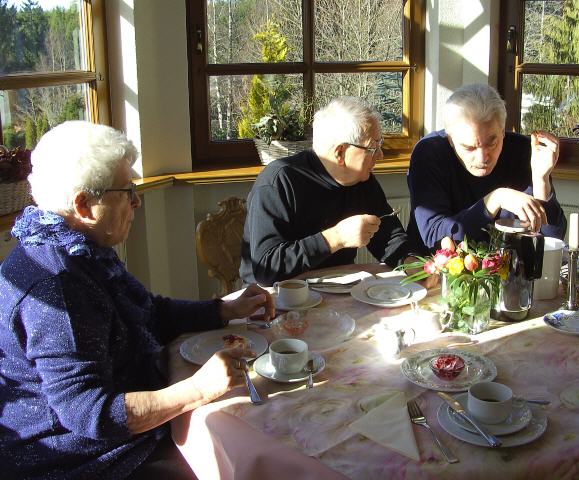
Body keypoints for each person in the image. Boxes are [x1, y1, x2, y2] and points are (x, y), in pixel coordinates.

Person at [0, 121, 275, 480]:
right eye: (127, 191)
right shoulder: (57, 288)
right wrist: (197, 389)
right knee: (241, 460)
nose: (137, 201)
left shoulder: (80, 246)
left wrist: (224, 309)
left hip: (120, 431)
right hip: (83, 462)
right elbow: (92, 414)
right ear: (83, 205)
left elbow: (148, 311)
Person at [240, 96, 422, 286]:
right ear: (340, 152)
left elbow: (388, 235)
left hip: (339, 288)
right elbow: (266, 268)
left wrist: (411, 263)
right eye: (373, 147)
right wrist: (336, 238)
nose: (381, 155)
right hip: (274, 296)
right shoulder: (279, 181)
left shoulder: (362, 180)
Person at [407, 83, 567, 251]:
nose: (483, 158)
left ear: (503, 131)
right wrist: (495, 199)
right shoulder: (429, 153)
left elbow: (552, 241)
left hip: (505, 265)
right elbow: (434, 237)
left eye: (492, 143)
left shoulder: (522, 151)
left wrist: (541, 180)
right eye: (469, 147)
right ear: (450, 140)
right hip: (437, 265)